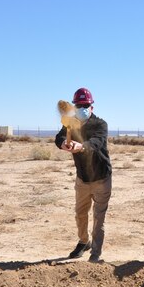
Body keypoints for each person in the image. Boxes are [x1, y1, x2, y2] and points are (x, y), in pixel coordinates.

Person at [55, 87, 112, 262]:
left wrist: (82, 146)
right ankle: (84, 241)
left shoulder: (100, 124)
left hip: (102, 178)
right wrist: (63, 143)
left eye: (86, 105)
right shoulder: (70, 122)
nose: (82, 108)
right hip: (82, 178)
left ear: (92, 107)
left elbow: (97, 142)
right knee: (80, 213)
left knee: (98, 218)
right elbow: (58, 137)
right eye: (79, 105)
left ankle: (95, 253)